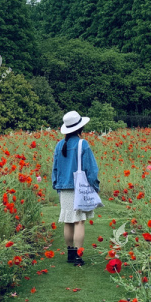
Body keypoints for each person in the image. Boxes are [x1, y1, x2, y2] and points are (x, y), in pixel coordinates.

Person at [52, 110, 99, 266]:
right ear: (80, 128)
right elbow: (91, 169)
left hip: (64, 188)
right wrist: (94, 185)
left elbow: (55, 168)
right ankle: (79, 257)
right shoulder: (82, 144)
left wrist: (56, 185)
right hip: (79, 188)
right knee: (79, 221)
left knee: (68, 221)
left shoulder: (59, 145)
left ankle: (70, 254)